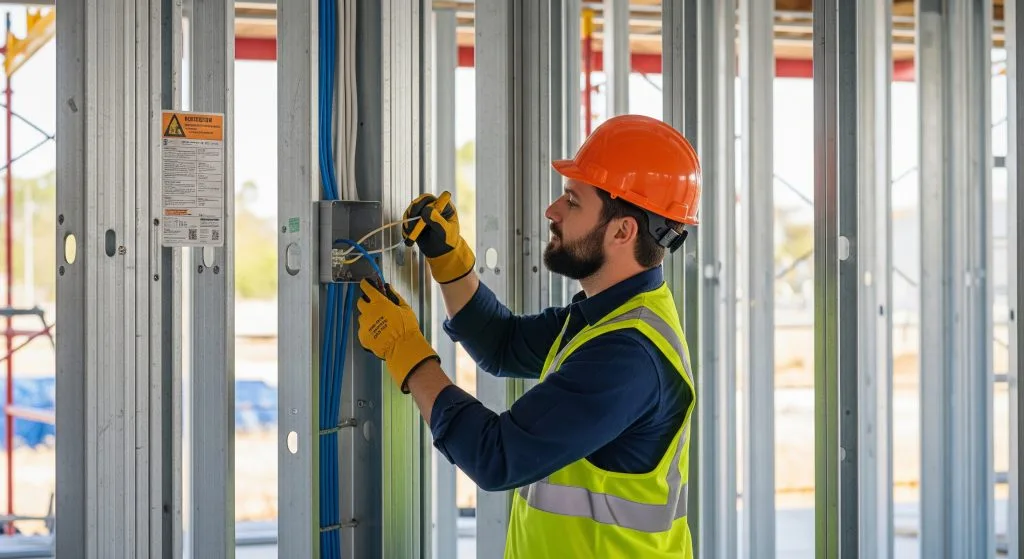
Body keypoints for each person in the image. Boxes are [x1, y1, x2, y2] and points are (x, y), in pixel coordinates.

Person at [356, 114, 700, 558]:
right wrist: (449, 261)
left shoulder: (627, 355)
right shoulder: (607, 317)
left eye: (573, 202)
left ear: (622, 230)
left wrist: (407, 353)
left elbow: (496, 456)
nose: (552, 211)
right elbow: (503, 344)